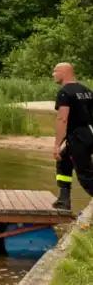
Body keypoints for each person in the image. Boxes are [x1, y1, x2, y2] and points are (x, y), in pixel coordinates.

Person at [51, 62, 93, 211]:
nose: (53, 74)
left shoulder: (64, 93)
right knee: (63, 162)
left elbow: (63, 119)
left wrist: (56, 145)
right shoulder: (86, 90)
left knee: (85, 175)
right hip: (89, 134)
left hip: (79, 138)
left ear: (64, 73)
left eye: (55, 71)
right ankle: (64, 200)